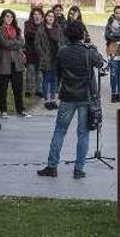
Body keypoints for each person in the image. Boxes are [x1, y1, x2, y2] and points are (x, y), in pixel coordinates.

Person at [37, 19, 105, 179]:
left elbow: (58, 74)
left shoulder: (62, 51)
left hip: (67, 96)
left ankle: (52, 166)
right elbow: (101, 63)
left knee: (59, 131)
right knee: (83, 133)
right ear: (83, 34)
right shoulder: (89, 51)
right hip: (86, 97)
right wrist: (92, 45)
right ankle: (79, 169)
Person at [0, 9, 30, 118]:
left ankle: (20, 110)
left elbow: (22, 42)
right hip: (4, 63)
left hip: (17, 63)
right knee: (3, 88)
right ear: (2, 18)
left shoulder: (16, 29)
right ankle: (3, 111)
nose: (9, 19)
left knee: (18, 88)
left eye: (11, 17)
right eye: (7, 16)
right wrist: (16, 43)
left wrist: (14, 43)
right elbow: (4, 43)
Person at [37, 10, 64, 110]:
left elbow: (61, 41)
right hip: (46, 58)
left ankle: (53, 99)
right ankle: (46, 100)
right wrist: (42, 53)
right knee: (46, 79)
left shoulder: (58, 28)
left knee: (55, 80)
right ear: (46, 17)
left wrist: (61, 52)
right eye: (48, 16)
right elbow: (37, 44)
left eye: (52, 16)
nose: (50, 18)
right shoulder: (41, 29)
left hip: (56, 57)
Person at [24, 7, 45, 98]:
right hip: (30, 52)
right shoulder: (27, 24)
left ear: (42, 16)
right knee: (30, 72)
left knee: (40, 74)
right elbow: (28, 34)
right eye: (35, 14)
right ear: (32, 16)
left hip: (40, 53)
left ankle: (39, 90)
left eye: (38, 14)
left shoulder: (44, 25)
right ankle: (28, 90)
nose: (36, 16)